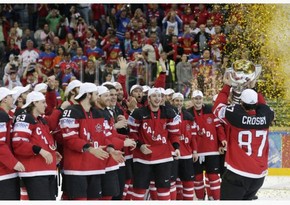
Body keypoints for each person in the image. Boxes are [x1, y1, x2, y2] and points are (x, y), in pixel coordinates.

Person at [213, 76, 275, 200]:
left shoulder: (235, 116)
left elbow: (217, 109)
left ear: (241, 103)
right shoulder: (267, 115)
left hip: (238, 173)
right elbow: (263, 106)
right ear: (256, 103)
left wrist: (227, 86)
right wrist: (254, 88)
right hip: (258, 177)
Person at [128, 88, 181, 200]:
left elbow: (174, 133)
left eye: (159, 96)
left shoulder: (169, 112)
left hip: (163, 157)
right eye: (154, 96)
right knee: (139, 189)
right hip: (143, 157)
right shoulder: (139, 112)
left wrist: (176, 147)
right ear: (149, 98)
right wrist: (140, 145)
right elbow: (132, 133)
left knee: (164, 188)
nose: (157, 99)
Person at [12, 91, 62, 200]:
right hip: (34, 173)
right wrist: (40, 150)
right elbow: (18, 143)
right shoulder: (25, 118)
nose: (46, 105)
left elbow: (42, 141)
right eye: (43, 102)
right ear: (34, 103)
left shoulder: (41, 120)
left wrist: (52, 153)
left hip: (47, 170)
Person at [187, 90, 227, 200]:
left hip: (212, 150)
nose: (198, 100)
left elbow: (219, 127)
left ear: (203, 99)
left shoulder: (211, 110)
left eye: (200, 98)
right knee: (198, 178)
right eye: (196, 98)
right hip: (196, 152)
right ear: (192, 100)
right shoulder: (188, 113)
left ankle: (216, 200)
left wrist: (222, 140)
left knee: (213, 177)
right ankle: (200, 199)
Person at [0, 87, 25, 200]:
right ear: (4, 99)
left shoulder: (8, 115)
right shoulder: (1, 116)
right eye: (10, 96)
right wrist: (13, 162)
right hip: (4, 171)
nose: (13, 99)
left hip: (9, 170)